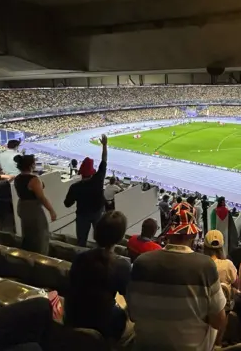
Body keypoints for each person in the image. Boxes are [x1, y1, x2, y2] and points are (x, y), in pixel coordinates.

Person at [127, 201, 227, 350]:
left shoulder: (141, 262)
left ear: (169, 232)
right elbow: (218, 322)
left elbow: (133, 314)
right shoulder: (205, 266)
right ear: (193, 233)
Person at [65, 211, 131, 341]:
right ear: (120, 237)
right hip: (104, 324)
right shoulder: (122, 265)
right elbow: (129, 300)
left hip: (74, 316)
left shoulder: (79, 257)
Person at [64, 134, 108, 247]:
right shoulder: (98, 179)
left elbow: (67, 204)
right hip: (98, 213)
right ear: (92, 172)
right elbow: (104, 161)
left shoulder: (75, 187)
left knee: (81, 240)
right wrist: (104, 145)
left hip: (82, 215)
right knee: (101, 239)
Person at [13, 154, 56, 255]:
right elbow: (41, 197)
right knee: (40, 234)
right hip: (32, 208)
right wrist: (51, 211)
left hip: (22, 207)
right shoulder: (34, 180)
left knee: (28, 232)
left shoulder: (17, 178)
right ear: (31, 165)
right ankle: (41, 256)